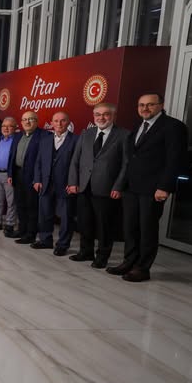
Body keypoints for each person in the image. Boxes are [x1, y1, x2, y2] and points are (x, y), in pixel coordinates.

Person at [107, 94, 188, 282]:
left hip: (153, 189)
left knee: (147, 229)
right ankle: (129, 262)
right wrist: (122, 184)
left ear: (161, 105)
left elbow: (175, 160)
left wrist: (164, 187)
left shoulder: (174, 127)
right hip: (131, 187)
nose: (145, 108)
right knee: (130, 228)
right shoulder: (139, 126)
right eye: (141, 105)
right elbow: (131, 159)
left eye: (150, 104)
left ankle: (142, 268)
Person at [67, 103, 129, 268]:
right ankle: (85, 252)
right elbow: (75, 160)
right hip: (84, 186)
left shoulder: (124, 135)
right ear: (93, 116)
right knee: (84, 222)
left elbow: (126, 164)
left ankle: (102, 257)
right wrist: (73, 182)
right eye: (98, 114)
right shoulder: (86, 133)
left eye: (106, 114)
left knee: (104, 226)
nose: (101, 118)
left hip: (107, 188)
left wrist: (118, 186)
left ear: (113, 116)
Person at [33, 111, 78, 254]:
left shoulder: (76, 140)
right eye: (56, 121)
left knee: (66, 217)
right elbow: (38, 161)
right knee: (44, 214)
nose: (59, 123)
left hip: (66, 185)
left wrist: (73, 182)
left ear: (68, 122)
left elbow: (78, 164)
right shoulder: (45, 140)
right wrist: (37, 179)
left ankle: (63, 245)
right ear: (51, 123)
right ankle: (45, 240)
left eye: (63, 120)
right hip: (45, 183)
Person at [9, 111, 45, 244]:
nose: (27, 122)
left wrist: (38, 178)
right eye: (24, 119)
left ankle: (30, 234)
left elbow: (43, 160)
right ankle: (22, 230)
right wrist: (10, 174)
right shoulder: (18, 136)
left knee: (31, 206)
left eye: (30, 119)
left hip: (33, 176)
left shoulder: (43, 136)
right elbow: (12, 156)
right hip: (18, 173)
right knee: (20, 204)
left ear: (36, 121)